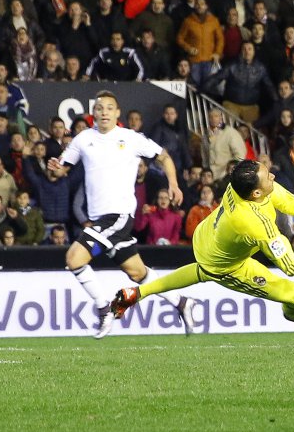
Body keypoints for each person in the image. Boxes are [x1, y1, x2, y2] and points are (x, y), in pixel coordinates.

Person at [109, 159, 294, 328]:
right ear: (257, 193)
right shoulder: (255, 223)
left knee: (200, 270)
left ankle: (137, 294)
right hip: (227, 266)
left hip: (206, 237)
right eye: (268, 177)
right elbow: (291, 266)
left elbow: (290, 202)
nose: (273, 176)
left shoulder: (242, 184)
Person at [47, 90, 194, 339]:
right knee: (137, 272)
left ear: (117, 113)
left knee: (74, 259)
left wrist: (173, 184)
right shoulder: (83, 139)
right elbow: (61, 170)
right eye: (99, 108)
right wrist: (54, 168)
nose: (104, 112)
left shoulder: (130, 138)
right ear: (93, 113)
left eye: (109, 108)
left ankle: (105, 309)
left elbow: (164, 157)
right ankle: (181, 302)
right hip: (101, 220)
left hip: (118, 217)